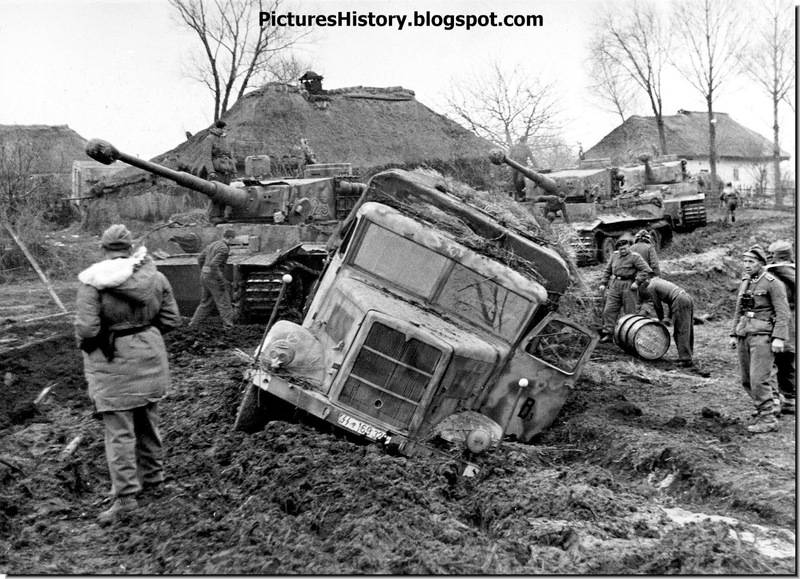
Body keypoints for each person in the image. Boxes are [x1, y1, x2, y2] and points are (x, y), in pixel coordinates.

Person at [74, 224, 180, 523]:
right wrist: (143, 335)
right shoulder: (155, 276)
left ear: (103, 248)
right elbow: (172, 319)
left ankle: (126, 499)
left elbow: (87, 330)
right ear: (131, 247)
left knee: (119, 432)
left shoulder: (93, 282)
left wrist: (106, 344)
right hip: (151, 356)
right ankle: (155, 483)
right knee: (149, 423)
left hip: (113, 362)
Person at [728, 245, 791, 433]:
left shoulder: (772, 283)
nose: (746, 265)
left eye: (751, 262)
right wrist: (733, 334)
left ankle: (768, 418)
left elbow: (783, 312)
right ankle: (764, 408)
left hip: (763, 336)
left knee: (759, 379)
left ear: (761, 263)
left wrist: (779, 338)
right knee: (746, 380)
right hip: (744, 333)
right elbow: (738, 310)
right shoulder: (746, 281)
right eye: (745, 261)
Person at [598, 233, 653, 343]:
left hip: (629, 285)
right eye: (621, 249)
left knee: (630, 312)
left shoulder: (635, 257)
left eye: (625, 249)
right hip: (615, 285)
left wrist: (637, 282)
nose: (623, 251)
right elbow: (607, 270)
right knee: (608, 310)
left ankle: (629, 336)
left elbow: (646, 270)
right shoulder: (614, 256)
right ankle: (609, 333)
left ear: (628, 247)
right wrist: (603, 283)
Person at [766, 240, 796, 415]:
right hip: (793, 327)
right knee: (787, 363)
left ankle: (774, 401)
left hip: (778, 324)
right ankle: (790, 399)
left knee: (770, 363)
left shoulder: (774, 277)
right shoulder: (793, 274)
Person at [637, 277, 694, 366]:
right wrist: (668, 317)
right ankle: (687, 355)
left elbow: (657, 306)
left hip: (680, 300)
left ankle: (685, 359)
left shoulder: (650, 288)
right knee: (687, 329)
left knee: (680, 331)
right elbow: (671, 299)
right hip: (686, 298)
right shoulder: (656, 280)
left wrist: (661, 320)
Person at [189, 229, 237, 330]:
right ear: (231, 238)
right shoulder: (224, 248)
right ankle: (228, 327)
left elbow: (200, 258)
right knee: (224, 302)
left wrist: (204, 270)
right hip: (213, 277)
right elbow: (214, 264)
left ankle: (193, 324)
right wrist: (221, 280)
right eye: (233, 239)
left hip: (204, 275)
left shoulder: (212, 244)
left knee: (205, 302)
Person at [508, 137, 535, 201]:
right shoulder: (514, 147)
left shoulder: (526, 148)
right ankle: (520, 195)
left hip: (522, 166)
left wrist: (537, 166)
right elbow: (509, 156)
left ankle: (523, 196)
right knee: (515, 182)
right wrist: (508, 163)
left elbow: (532, 158)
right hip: (514, 166)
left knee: (519, 181)